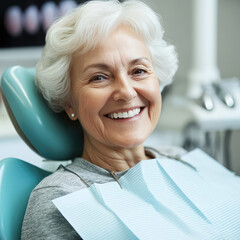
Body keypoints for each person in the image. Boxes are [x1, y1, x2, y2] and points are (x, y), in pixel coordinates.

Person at [21, 1, 240, 239]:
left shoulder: (182, 158)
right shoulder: (62, 196)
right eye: (99, 77)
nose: (126, 92)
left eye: (139, 71)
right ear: (69, 102)